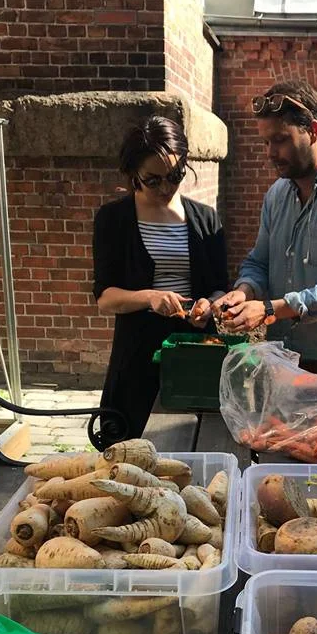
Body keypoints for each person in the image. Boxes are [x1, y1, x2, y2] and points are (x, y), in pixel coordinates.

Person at [214, 80, 317, 379]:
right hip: (283, 357)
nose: (270, 152)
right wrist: (243, 291)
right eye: (266, 142)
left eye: (280, 140)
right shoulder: (276, 196)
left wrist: (267, 310)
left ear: (313, 131)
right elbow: (259, 262)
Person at [93, 115, 228, 444]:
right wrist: (149, 297)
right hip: (136, 357)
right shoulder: (113, 219)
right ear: (132, 173)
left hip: (194, 355)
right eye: (153, 180)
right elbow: (105, 297)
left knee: (194, 449)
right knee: (130, 454)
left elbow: (219, 285)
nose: (166, 188)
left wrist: (207, 306)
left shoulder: (206, 219)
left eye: (175, 175)